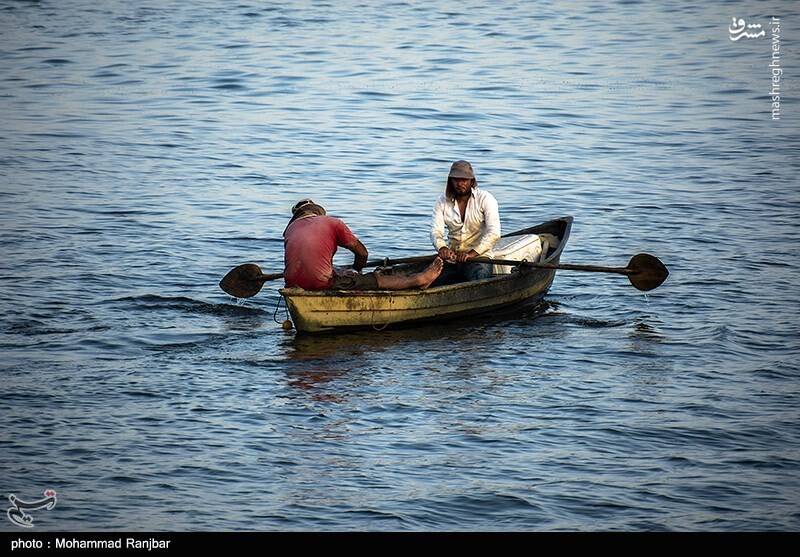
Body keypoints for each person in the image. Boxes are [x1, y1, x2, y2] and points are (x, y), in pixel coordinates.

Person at [283, 199, 443, 291]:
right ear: (318, 213)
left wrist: (337, 271)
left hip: (292, 284)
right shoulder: (333, 223)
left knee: (336, 273)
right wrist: (357, 271)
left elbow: (304, 262)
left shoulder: (289, 230)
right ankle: (419, 279)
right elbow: (362, 254)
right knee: (377, 279)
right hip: (320, 283)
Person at [430, 160, 500, 285]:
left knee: (480, 280)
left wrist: (471, 254)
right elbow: (436, 231)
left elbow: (494, 233)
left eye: (464, 180)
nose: (460, 183)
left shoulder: (485, 199)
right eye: (456, 180)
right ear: (450, 181)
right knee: (429, 278)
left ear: (471, 181)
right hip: (452, 257)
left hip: (480, 258)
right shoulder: (442, 201)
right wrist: (442, 248)